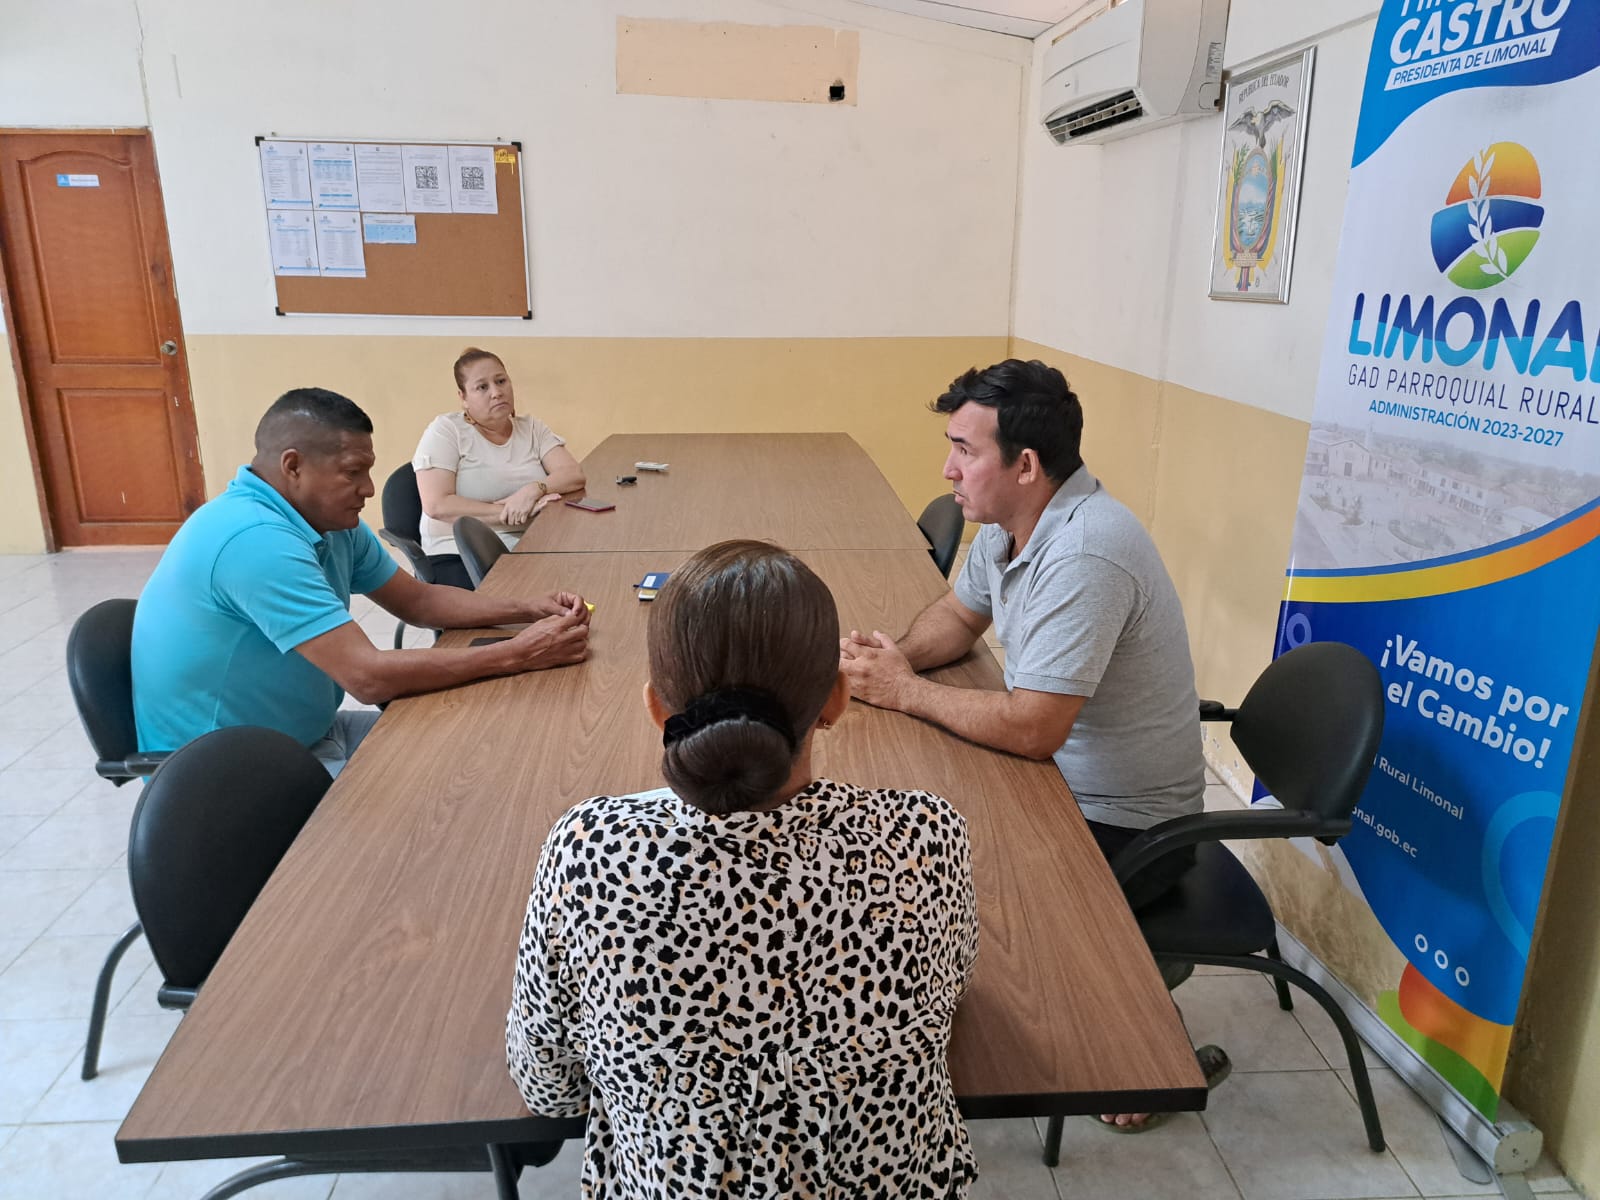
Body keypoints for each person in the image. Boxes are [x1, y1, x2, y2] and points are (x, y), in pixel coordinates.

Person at [506, 540, 979, 1197]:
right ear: (837, 700)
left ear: (657, 710)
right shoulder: (926, 835)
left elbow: (549, 1085)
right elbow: (951, 992)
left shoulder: (588, 851)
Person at [837, 359, 1225, 1131]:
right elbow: (958, 618)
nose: (948, 469)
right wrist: (891, 660)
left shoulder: (1085, 552)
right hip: (1058, 783)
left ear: (1025, 465)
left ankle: (1140, 1029)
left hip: (1128, 826)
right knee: (895, 828)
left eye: (965, 451)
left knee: (938, 878)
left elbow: (1033, 727)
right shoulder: (1013, 526)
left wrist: (904, 692)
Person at [132, 387, 590, 776]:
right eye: (353, 471)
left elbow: (419, 602)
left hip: (309, 733)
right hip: (227, 772)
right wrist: (518, 653)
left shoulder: (329, 522)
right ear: (293, 466)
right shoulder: (256, 541)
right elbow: (367, 677)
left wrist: (528, 608)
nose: (369, 489)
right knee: (451, 804)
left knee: (484, 757)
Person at [412, 347, 586, 585]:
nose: (496, 392)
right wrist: (513, 512)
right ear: (463, 397)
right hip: (458, 553)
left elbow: (572, 473)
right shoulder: (446, 430)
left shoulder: (531, 428)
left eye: (501, 381)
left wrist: (531, 491)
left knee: (584, 578)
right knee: (528, 598)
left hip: (528, 544)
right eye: (482, 387)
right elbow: (437, 505)